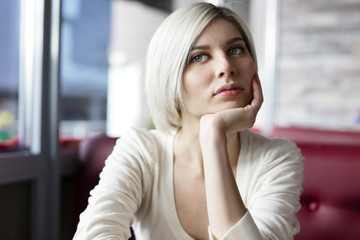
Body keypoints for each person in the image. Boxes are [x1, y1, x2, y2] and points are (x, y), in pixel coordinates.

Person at [73, 2, 304, 240]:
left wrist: (214, 137)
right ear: (171, 78)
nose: (226, 67)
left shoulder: (277, 158)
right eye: (200, 56)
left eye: (235, 50)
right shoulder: (142, 150)